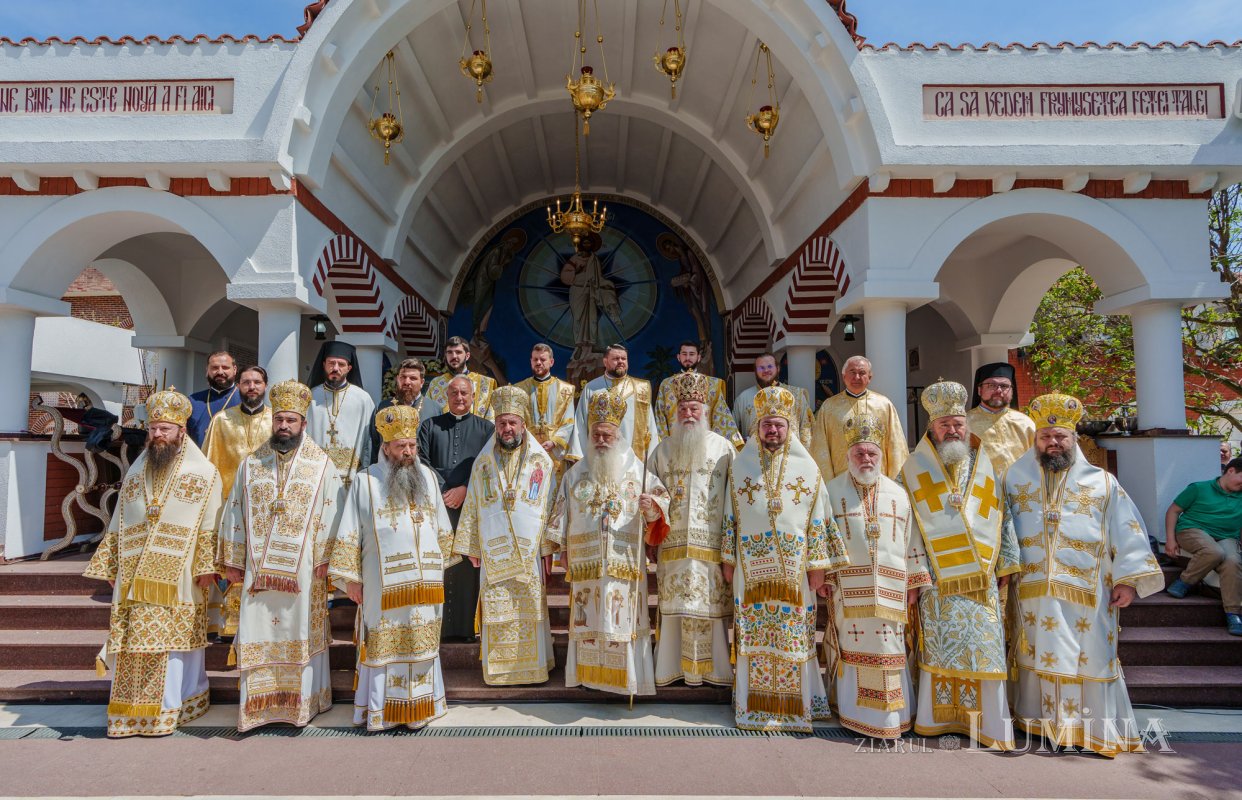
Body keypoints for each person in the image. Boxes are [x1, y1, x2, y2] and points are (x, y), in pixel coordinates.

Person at [1006, 393, 1166, 757]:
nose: (1053, 443)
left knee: (1089, 656)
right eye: (1046, 437)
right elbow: (999, 529)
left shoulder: (1102, 483)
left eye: (1060, 437)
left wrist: (1127, 580)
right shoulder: (1014, 478)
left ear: (1074, 440)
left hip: (1089, 594)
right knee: (1038, 657)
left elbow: (1127, 529)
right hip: (1032, 592)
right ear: (1036, 441)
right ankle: (1043, 727)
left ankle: (1091, 731)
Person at [83, 388, 223, 737]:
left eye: (165, 429)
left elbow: (211, 521)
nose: (158, 435)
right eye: (154, 429)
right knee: (134, 640)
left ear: (181, 432)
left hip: (180, 575)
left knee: (174, 645)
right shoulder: (135, 472)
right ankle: (129, 712)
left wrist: (207, 566)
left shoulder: (203, 472)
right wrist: (112, 566)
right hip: (133, 574)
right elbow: (118, 521)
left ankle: (174, 705)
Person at [217, 381, 345, 732]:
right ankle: (259, 706)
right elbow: (234, 512)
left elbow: (336, 513)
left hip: (305, 573)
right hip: (259, 574)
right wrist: (232, 558)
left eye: (291, 420)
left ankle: (303, 703)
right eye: (280, 420)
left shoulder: (322, 465)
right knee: (260, 632)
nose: (284, 426)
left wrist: (327, 560)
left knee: (300, 631)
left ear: (304, 424)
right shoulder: (251, 464)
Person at [722, 386, 849, 733]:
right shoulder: (739, 467)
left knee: (795, 636)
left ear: (789, 428)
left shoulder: (809, 470)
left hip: (795, 574)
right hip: (751, 572)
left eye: (778, 425)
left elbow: (820, 521)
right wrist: (727, 562)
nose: (772, 431)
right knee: (753, 634)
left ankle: (797, 707)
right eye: (766, 425)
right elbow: (728, 518)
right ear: (756, 428)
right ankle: (752, 706)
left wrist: (818, 569)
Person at [899, 379, 1017, 750]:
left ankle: (989, 724)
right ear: (931, 429)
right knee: (937, 646)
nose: (952, 430)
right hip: (936, 578)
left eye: (958, 424)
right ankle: (937, 719)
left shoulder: (987, 468)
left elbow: (1003, 518)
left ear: (967, 427)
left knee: (985, 647)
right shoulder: (912, 470)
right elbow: (906, 527)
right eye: (944, 425)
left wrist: (1006, 567)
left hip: (981, 578)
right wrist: (914, 576)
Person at [331, 404, 456, 730]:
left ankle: (422, 707)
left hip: (425, 583)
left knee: (421, 641)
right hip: (380, 583)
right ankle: (381, 712)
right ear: (385, 447)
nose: (409, 452)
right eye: (402, 446)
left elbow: (440, 524)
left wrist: (441, 564)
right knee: (384, 643)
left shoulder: (427, 476)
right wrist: (351, 580)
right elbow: (349, 531)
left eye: (412, 446)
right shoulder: (365, 481)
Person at [545, 389, 670, 697]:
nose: (601, 440)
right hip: (587, 565)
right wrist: (562, 551)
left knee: (622, 620)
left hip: (623, 563)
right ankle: (589, 677)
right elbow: (560, 514)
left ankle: (628, 679)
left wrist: (650, 506)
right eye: (596, 434)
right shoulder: (575, 474)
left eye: (607, 435)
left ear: (618, 435)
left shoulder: (636, 469)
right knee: (589, 620)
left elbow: (662, 503)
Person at [822, 414, 931, 740]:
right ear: (848, 456)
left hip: (892, 588)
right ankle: (854, 715)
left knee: (891, 649)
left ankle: (892, 718)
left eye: (871, 454)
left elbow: (912, 539)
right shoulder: (831, 490)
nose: (865, 459)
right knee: (851, 647)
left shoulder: (899, 494)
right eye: (859, 454)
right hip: (847, 588)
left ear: (881, 456)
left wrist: (914, 582)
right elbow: (823, 535)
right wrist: (827, 575)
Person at [453, 386, 558, 685]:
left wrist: (548, 549)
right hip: (493, 550)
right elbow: (472, 504)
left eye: (512, 423)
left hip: (529, 552)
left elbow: (550, 507)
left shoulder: (542, 463)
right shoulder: (483, 464)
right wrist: (471, 546)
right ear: (495, 426)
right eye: (502, 423)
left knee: (529, 608)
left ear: (523, 425)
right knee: (498, 607)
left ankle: (534, 668)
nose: (507, 428)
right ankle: (499, 671)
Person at [646, 372, 735, 687]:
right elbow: (652, 491)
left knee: (708, 608)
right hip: (672, 545)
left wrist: (730, 549)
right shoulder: (662, 450)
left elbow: (733, 502)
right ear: (674, 412)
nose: (688, 414)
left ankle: (716, 671)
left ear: (706, 411)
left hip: (711, 548)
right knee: (674, 609)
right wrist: (653, 508)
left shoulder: (725, 448)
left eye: (694, 408)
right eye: (683, 408)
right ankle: (670, 668)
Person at [417, 376, 495, 640]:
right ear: (446, 397)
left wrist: (464, 489)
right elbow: (422, 462)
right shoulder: (429, 426)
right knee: (437, 566)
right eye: (454, 394)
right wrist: (442, 493)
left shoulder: (487, 429)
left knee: (465, 568)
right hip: (436, 507)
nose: (459, 398)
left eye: (464, 393)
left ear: (473, 397)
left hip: (470, 509)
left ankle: (465, 630)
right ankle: (437, 627)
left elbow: (488, 467)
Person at [201, 364, 272, 638]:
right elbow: (209, 463)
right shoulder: (221, 420)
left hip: (266, 509)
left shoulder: (276, 421)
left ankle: (259, 623)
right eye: (246, 382)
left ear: (265, 386)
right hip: (228, 505)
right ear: (239, 386)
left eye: (256, 382)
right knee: (228, 564)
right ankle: (224, 626)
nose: (251, 387)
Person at [1163, 457, 1242, 636]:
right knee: (1214, 552)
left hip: (1226, 536)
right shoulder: (1199, 488)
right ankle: (1185, 581)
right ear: (1231, 471)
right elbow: (1173, 510)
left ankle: (1233, 613)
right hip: (1192, 530)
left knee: (1233, 561)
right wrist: (1170, 539)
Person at [811, 355, 908, 481]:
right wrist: (828, 484)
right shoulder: (829, 407)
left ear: (869, 377)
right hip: (841, 481)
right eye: (852, 372)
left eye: (862, 373)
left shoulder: (884, 405)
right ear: (844, 375)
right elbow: (821, 448)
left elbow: (896, 446)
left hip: (878, 480)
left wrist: (895, 483)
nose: (857, 377)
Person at [568, 344, 660, 463]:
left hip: (634, 459)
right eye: (616, 359)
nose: (621, 362)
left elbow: (650, 424)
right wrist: (580, 456)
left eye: (624, 358)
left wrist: (652, 456)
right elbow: (581, 422)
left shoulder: (641, 388)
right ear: (605, 362)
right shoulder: (592, 387)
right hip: (600, 455)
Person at [307, 340, 375, 486]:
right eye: (331, 363)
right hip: (316, 475)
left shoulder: (363, 399)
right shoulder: (310, 396)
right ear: (324, 364)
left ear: (349, 368)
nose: (335, 368)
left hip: (352, 477)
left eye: (341, 364)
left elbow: (369, 440)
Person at [654, 341, 743, 450]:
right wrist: (664, 446)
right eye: (684, 354)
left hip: (705, 446)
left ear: (699, 357)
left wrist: (719, 447)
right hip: (674, 446)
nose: (688, 357)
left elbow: (721, 416)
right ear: (678, 357)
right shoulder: (666, 385)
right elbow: (660, 419)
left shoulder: (712, 385)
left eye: (691, 354)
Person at [512, 343, 577, 478]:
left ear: (551, 362)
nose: (538, 363)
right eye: (535, 359)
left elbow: (569, 421)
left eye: (542, 359)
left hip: (555, 451)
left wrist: (554, 442)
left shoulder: (565, 389)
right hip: (528, 448)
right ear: (531, 361)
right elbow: (515, 418)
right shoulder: (519, 389)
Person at [368, 358, 442, 466]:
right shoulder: (383, 407)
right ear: (397, 379)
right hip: (387, 472)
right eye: (403, 377)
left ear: (422, 382)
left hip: (421, 473)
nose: (407, 382)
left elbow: (438, 448)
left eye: (413, 378)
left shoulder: (434, 409)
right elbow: (373, 443)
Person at [966, 361, 1035, 474]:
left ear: (1012, 391)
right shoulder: (965, 423)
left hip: (1020, 489)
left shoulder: (1026, 424)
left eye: (1004, 386)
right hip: (981, 489)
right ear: (979, 390)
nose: (998, 390)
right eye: (991, 385)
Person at [732, 352, 813, 448]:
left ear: (778, 368)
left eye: (770, 366)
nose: (766, 370)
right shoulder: (743, 398)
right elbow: (732, 431)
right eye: (761, 368)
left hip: (790, 457)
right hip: (754, 458)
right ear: (755, 372)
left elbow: (807, 430)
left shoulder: (797, 395)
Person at [425, 336, 497, 420]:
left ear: (467, 356)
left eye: (458, 352)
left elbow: (490, 420)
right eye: (449, 352)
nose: (454, 356)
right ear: (445, 355)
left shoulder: (485, 383)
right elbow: (427, 415)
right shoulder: (435, 383)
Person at [187, 351, 241, 446]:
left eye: (225, 367)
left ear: (235, 370)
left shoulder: (245, 400)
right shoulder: (193, 400)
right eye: (215, 368)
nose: (220, 372)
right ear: (207, 370)